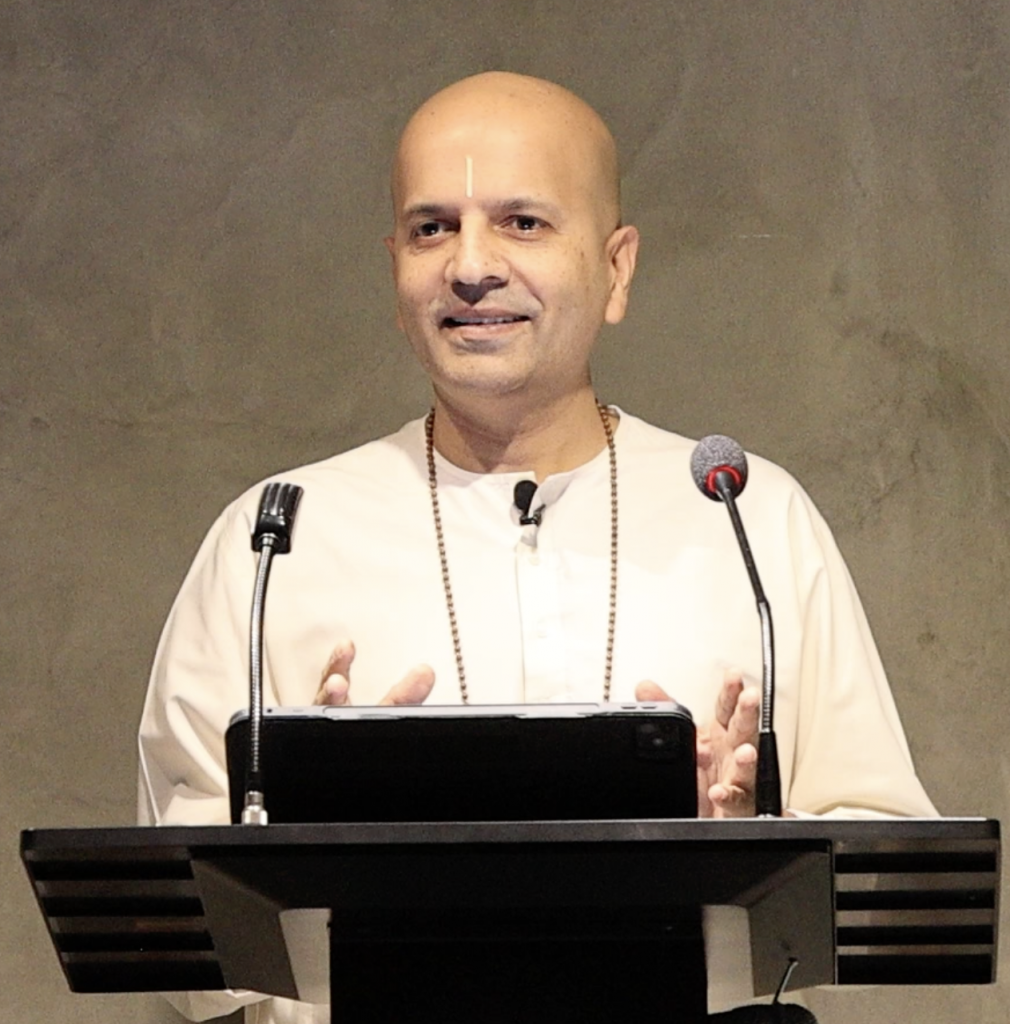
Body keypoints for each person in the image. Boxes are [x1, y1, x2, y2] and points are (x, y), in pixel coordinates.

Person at [138, 72, 936, 1024]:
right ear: (393, 269)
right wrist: (310, 857)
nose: (471, 266)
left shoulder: (747, 516)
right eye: (432, 227)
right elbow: (171, 947)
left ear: (617, 269)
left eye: (522, 222)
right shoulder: (279, 537)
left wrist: (744, 860)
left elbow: (891, 878)